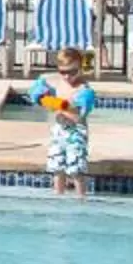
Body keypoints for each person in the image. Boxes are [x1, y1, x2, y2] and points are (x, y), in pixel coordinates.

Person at [26, 48, 97, 194]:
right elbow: (35, 89)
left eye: (72, 71)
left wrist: (61, 104)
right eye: (63, 72)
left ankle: (81, 199)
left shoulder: (83, 88)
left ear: (80, 68)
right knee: (57, 168)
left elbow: (82, 109)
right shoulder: (57, 82)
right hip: (59, 129)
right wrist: (40, 97)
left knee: (76, 170)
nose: (67, 76)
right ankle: (58, 196)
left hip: (76, 131)